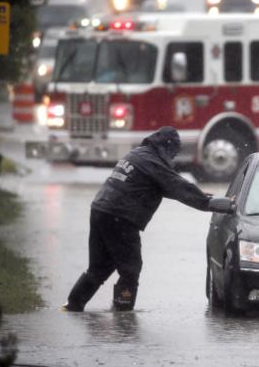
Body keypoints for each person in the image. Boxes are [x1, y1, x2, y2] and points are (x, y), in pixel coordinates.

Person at [62, 126, 213, 312]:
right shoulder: (154, 162)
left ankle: (73, 305)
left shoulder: (138, 155)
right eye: (173, 151)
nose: (173, 157)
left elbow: (166, 188)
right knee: (131, 268)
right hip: (120, 216)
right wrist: (209, 203)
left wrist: (202, 196)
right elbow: (177, 186)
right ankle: (123, 315)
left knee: (99, 267)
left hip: (100, 210)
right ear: (167, 147)